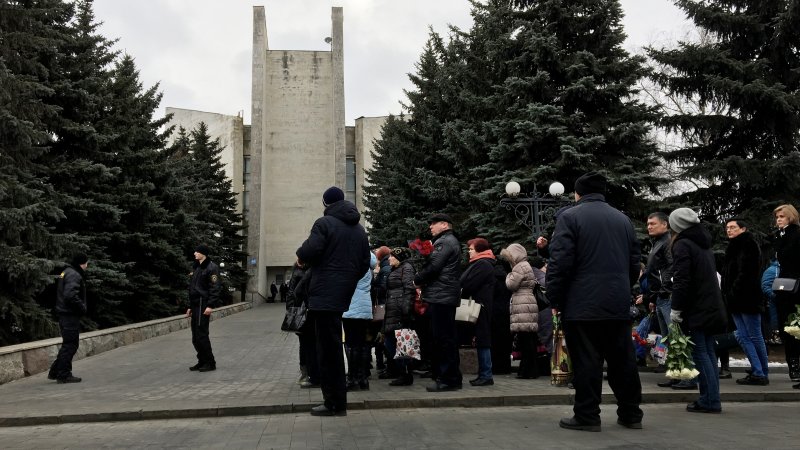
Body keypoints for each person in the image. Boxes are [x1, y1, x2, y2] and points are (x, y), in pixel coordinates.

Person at [546, 171, 643, 432]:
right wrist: (623, 287)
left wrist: (554, 297)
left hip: (582, 304)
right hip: (617, 302)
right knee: (623, 360)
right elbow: (635, 263)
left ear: (578, 193)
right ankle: (631, 413)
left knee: (587, 360)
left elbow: (560, 262)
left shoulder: (570, 217)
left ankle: (587, 415)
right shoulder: (622, 219)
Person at [296, 186, 370, 416]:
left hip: (323, 294)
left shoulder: (324, 223)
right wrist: (346, 282)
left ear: (326, 203)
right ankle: (337, 402)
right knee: (334, 346)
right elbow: (364, 264)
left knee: (328, 351)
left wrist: (301, 255)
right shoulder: (359, 229)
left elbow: (309, 251)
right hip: (342, 294)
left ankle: (334, 404)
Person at [669, 208, 728, 413]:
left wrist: (676, 308)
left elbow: (682, 280)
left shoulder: (683, 244)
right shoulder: (703, 245)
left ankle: (709, 401)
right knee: (709, 352)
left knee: (701, 353)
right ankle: (711, 398)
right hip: (710, 306)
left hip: (698, 308)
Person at [414, 213, 463, 392]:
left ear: (444, 224)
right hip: (444, 295)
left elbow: (434, 267)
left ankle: (447, 379)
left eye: (433, 224)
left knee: (443, 339)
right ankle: (452, 377)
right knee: (446, 338)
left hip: (441, 296)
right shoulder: (449, 241)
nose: (430, 227)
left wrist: (417, 278)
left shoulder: (444, 242)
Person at [722, 218, 768, 385]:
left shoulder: (748, 244)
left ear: (743, 229)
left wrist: (732, 291)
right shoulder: (734, 246)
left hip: (746, 298)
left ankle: (760, 372)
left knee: (752, 336)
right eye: (727, 227)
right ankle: (760, 370)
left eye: (733, 227)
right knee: (745, 335)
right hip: (736, 299)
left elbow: (747, 273)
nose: (729, 230)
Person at [460, 238, 497, 386]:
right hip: (480, 305)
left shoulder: (482, 264)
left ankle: (486, 374)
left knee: (483, 339)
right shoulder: (481, 263)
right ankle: (484, 374)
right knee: (481, 339)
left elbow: (469, 284)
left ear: (479, 250)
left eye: (471, 249)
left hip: (480, 306)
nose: (469, 251)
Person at [48, 253, 89, 384]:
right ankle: (63, 374)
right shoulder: (74, 274)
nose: (87, 266)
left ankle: (56, 371)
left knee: (68, 344)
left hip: (64, 313)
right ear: (82, 263)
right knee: (71, 344)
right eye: (87, 263)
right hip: (69, 314)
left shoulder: (66, 272)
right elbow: (70, 295)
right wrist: (82, 307)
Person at [501, 243, 539, 379]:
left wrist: (508, 275)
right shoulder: (525, 265)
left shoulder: (519, 267)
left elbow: (511, 284)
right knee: (529, 339)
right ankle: (529, 370)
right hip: (527, 303)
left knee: (525, 340)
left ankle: (527, 371)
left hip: (522, 304)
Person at [772, 204, 800, 387]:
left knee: (795, 328)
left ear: (790, 216)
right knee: (788, 330)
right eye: (777, 217)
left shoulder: (796, 234)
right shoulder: (781, 236)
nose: (779, 219)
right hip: (786, 287)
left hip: (796, 288)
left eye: (782, 216)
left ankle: (796, 366)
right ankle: (794, 366)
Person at [343, 253, 377, 391]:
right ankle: (363, 379)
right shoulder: (368, 260)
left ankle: (352, 379)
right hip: (364, 307)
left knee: (351, 343)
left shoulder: (352, 260)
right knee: (363, 343)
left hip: (351, 307)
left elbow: (345, 282)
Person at [384, 247, 417, 386]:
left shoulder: (406, 268)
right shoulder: (396, 269)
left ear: (399, 257)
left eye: (391, 256)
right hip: (393, 309)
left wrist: (406, 310)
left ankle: (405, 374)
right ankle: (403, 372)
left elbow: (409, 289)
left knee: (401, 342)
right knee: (391, 341)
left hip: (399, 310)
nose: (389, 259)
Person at [187, 244, 221, 372]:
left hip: (203, 303)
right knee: (195, 336)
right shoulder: (196, 267)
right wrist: (190, 306)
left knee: (202, 335)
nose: (195, 253)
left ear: (203, 253)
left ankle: (210, 362)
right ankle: (201, 361)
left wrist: (210, 305)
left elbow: (215, 287)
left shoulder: (211, 267)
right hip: (195, 305)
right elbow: (192, 288)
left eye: (197, 251)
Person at [371, 246, 392, 378]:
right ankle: (382, 363)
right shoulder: (386, 267)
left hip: (383, 307)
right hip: (385, 306)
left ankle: (381, 363)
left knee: (381, 335)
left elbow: (383, 288)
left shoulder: (385, 269)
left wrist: (374, 287)